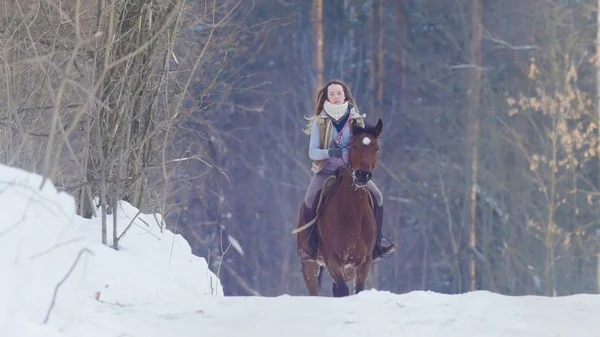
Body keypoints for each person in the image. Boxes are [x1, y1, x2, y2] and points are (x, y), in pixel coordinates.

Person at [297, 79, 397, 262]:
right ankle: (310, 245)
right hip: (327, 170)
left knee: (379, 197)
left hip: (352, 172)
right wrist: (329, 152)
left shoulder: (356, 120)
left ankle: (378, 242)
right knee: (310, 199)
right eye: (332, 94)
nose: (336, 97)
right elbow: (312, 152)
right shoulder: (320, 122)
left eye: (339, 93)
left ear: (345, 96)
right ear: (327, 97)